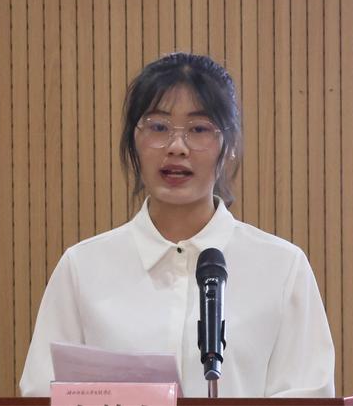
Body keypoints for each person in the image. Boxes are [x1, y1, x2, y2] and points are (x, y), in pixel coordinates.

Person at [19, 53, 335, 397]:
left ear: (229, 146)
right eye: (158, 127)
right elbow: (42, 393)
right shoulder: (83, 267)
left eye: (199, 129)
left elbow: (307, 395)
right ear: (133, 140)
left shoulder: (282, 267)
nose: (177, 147)